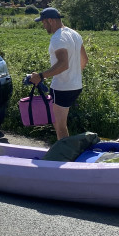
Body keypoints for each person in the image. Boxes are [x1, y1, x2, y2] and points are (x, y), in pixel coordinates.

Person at [29, 7, 87, 140]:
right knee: (61, 124)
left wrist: (40, 76)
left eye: (44, 22)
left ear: (51, 20)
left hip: (62, 88)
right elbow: (84, 60)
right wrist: (73, 75)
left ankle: (65, 152)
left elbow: (63, 64)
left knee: (60, 126)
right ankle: (67, 148)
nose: (43, 26)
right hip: (76, 86)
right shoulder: (75, 34)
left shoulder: (57, 38)